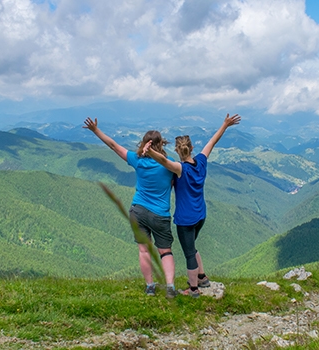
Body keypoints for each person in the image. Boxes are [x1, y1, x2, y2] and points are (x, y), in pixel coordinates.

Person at [143, 113, 241, 298]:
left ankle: (194, 289)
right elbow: (212, 142)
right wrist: (225, 125)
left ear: (178, 152)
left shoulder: (180, 169)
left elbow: (164, 161)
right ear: (192, 148)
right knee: (192, 247)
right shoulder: (201, 162)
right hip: (200, 216)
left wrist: (149, 152)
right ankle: (202, 277)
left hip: (185, 220)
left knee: (189, 253)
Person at [83, 117, 179, 298]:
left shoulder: (137, 160)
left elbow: (113, 145)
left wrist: (95, 130)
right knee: (165, 251)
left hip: (138, 210)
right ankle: (170, 287)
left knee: (144, 250)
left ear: (144, 144)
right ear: (161, 144)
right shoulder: (169, 163)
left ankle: (150, 286)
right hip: (160, 213)